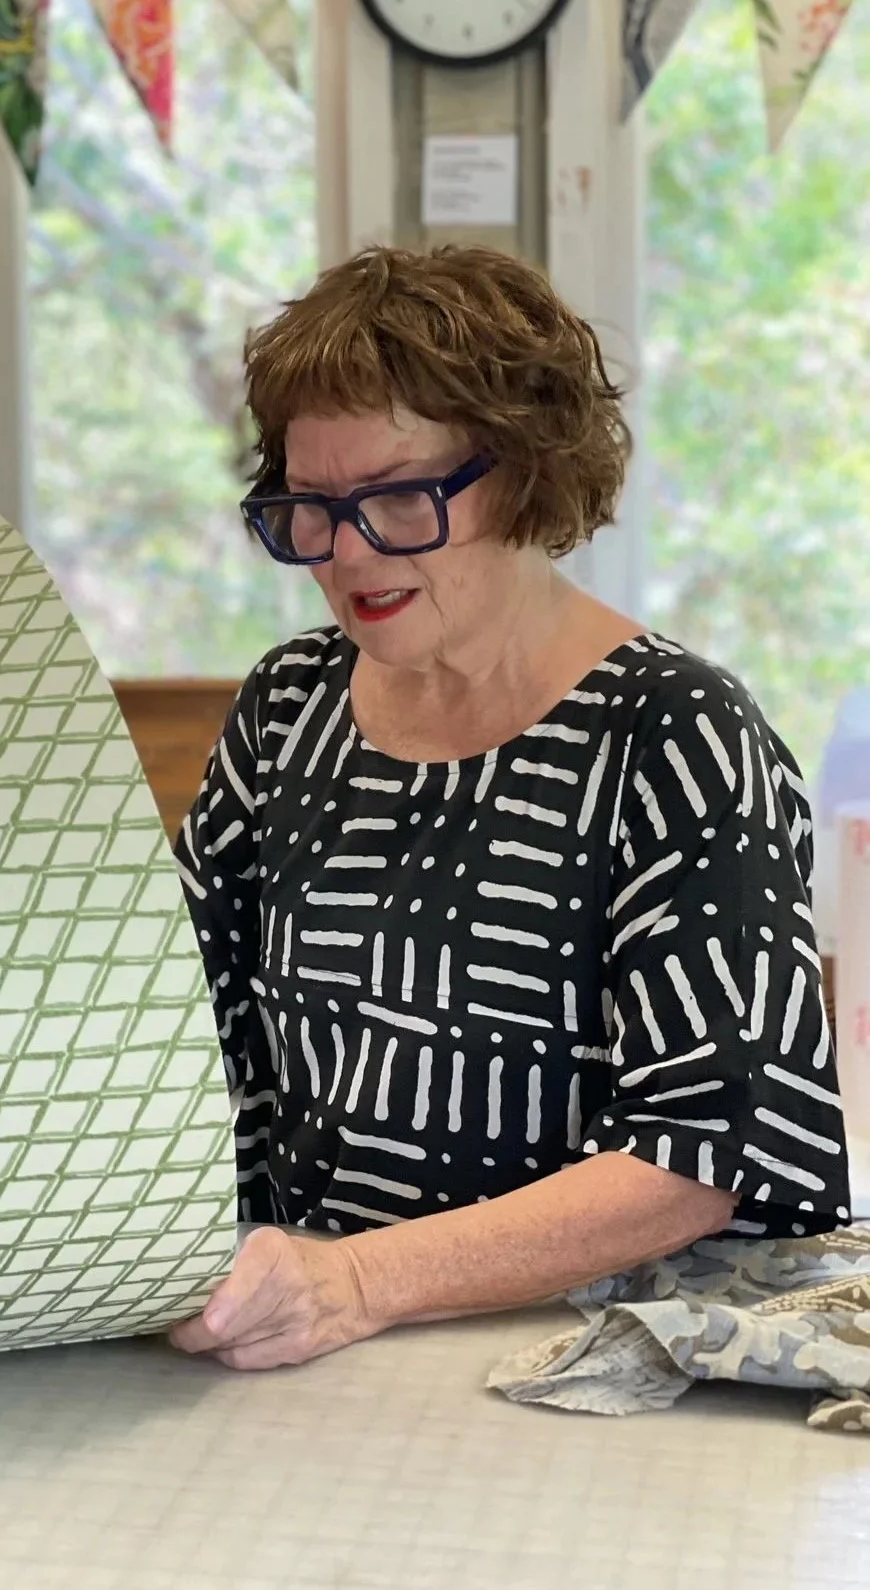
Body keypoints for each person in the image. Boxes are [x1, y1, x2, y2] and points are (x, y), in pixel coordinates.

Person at [169, 243, 852, 1373]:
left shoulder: (672, 734)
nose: (345, 554)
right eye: (311, 507)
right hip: (315, 1347)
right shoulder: (289, 705)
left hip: (586, 1355)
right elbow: (181, 1025)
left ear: (526, 468)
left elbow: (709, 1148)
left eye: (395, 497)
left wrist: (359, 1279)